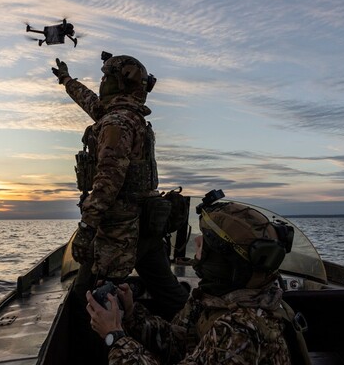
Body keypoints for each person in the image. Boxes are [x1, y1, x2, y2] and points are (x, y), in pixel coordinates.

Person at [51, 52, 189, 363]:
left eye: (104, 78)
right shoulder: (125, 115)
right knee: (168, 293)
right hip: (147, 226)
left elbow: (107, 182)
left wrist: (86, 228)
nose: (99, 84)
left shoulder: (116, 123)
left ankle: (103, 354)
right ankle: (190, 337)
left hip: (119, 232)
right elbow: (92, 104)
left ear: (117, 83)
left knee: (87, 300)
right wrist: (66, 80)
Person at [86, 197, 301, 365]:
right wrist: (132, 315)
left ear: (223, 262)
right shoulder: (216, 299)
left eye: (206, 241)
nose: (197, 241)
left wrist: (114, 337)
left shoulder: (242, 329)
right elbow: (180, 343)